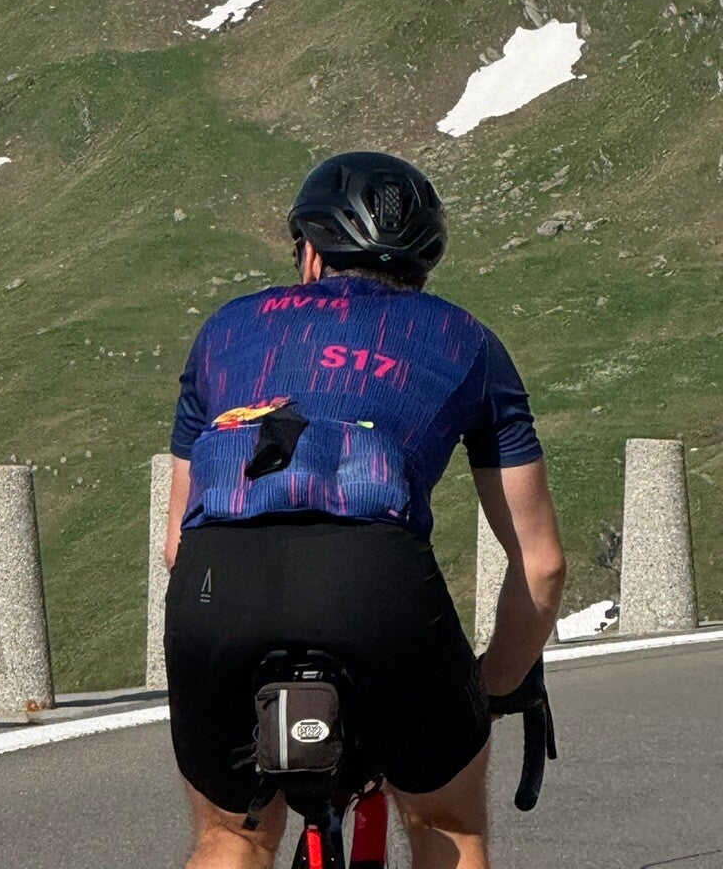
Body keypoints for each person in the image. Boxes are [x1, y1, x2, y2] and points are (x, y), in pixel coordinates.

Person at [162, 152, 566, 869]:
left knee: (232, 836)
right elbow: (541, 567)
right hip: (373, 585)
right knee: (447, 823)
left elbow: (174, 545)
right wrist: (491, 686)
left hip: (216, 583)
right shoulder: (465, 340)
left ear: (310, 254)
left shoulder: (224, 328)